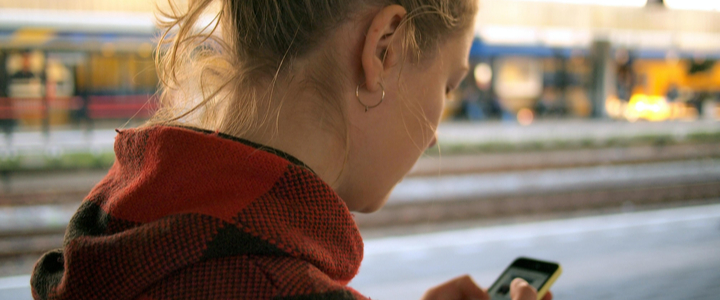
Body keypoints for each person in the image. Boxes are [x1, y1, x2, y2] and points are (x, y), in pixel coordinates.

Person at [31, 1, 552, 300]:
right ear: (384, 47)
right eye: (449, 85)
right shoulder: (277, 285)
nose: (435, 131)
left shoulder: (116, 230)